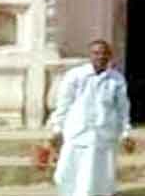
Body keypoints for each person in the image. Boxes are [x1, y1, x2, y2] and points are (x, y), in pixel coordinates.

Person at [49, 39, 136, 196]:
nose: (100, 57)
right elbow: (63, 103)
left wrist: (126, 133)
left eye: (104, 53)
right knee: (67, 173)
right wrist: (57, 128)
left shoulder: (116, 79)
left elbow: (123, 108)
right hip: (77, 131)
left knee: (99, 175)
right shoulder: (75, 75)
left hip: (104, 133)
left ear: (110, 56)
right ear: (90, 55)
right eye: (96, 53)